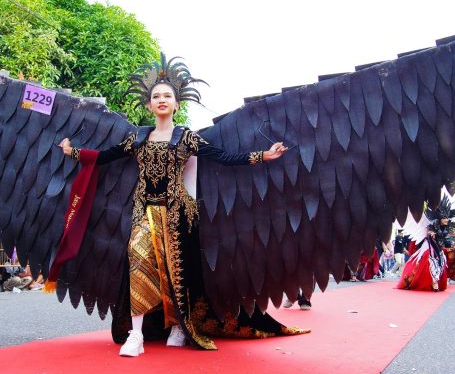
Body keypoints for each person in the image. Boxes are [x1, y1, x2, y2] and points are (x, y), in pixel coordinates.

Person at [58, 57, 304, 357]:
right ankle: (136, 334)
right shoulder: (138, 137)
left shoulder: (186, 137)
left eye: (167, 96)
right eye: (156, 96)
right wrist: (73, 153)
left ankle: (178, 326)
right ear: (149, 105)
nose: (161, 100)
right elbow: (105, 156)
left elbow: (224, 158)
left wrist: (263, 156)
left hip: (179, 215)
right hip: (143, 211)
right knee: (137, 259)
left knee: (177, 272)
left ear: (176, 104)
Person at [397, 198, 455, 292]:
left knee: (441, 263)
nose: (447, 220)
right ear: (440, 219)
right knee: (430, 263)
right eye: (444, 218)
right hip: (430, 247)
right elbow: (429, 232)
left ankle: (436, 281)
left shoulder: (447, 227)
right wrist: (431, 233)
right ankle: (433, 282)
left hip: (439, 248)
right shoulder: (433, 225)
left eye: (447, 218)